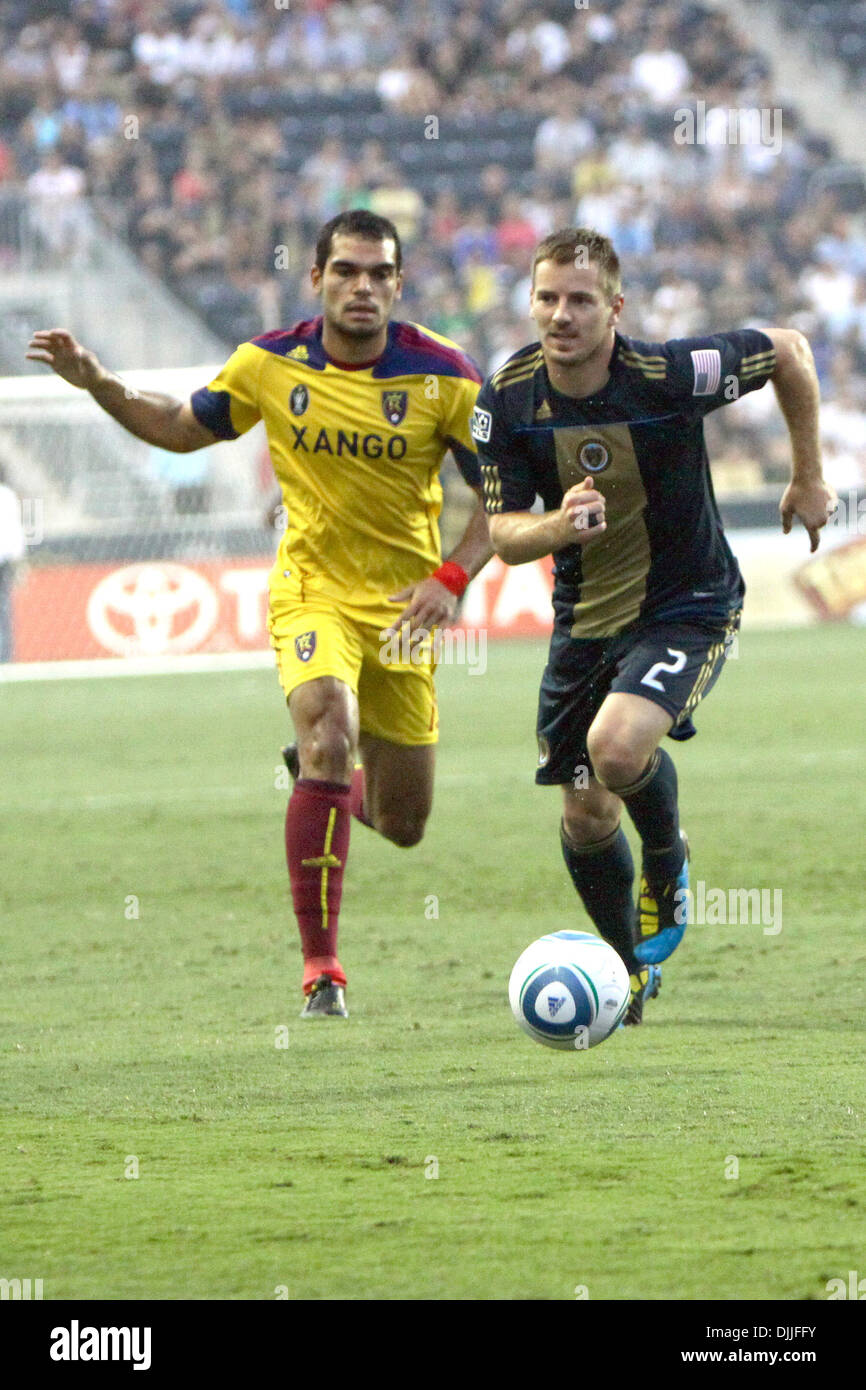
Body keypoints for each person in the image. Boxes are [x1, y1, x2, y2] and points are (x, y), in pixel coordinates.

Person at [27, 209, 492, 1018]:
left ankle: (324, 784)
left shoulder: (446, 376)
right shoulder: (269, 363)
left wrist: (453, 575)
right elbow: (178, 429)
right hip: (310, 589)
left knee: (404, 821)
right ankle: (322, 972)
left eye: (380, 274)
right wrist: (102, 386)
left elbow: (503, 489)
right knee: (329, 729)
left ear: (399, 285)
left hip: (402, 612)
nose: (363, 287)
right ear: (315, 279)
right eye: (346, 271)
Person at [472, 226, 836, 1025]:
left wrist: (807, 474)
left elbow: (790, 351)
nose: (561, 315)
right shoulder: (505, 401)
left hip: (689, 606)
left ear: (615, 307)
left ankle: (667, 864)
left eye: (580, 300)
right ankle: (627, 978)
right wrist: (559, 528)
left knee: (616, 748)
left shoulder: (671, 374)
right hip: (586, 626)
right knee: (584, 809)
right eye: (547, 298)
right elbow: (502, 535)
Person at [0, 464, 26, 663]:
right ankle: (5, 654)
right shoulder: (8, 495)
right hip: (5, 559)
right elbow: (15, 530)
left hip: (5, 559)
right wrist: (18, 558)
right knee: (3, 608)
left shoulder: (7, 496)